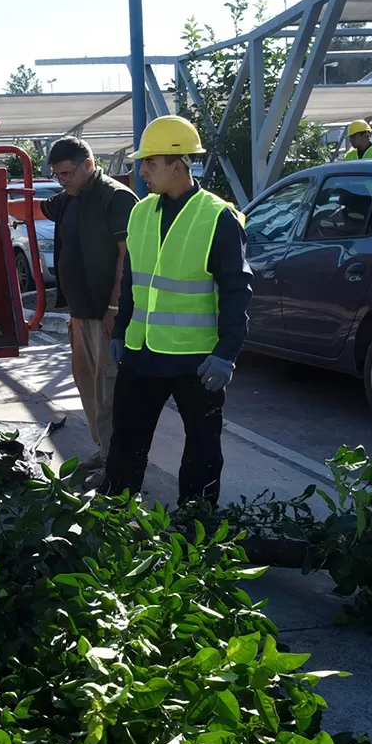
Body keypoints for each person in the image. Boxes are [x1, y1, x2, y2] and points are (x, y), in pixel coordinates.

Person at [104, 116, 253, 509]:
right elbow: (133, 279)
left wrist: (226, 354)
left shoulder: (217, 217)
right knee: (126, 442)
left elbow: (238, 292)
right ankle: (114, 516)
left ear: (176, 163)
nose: (142, 170)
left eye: (150, 162)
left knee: (203, 449)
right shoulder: (140, 213)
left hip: (196, 361)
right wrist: (120, 330)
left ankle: (195, 523)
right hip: (141, 352)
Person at [41, 136, 138, 468]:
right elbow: (36, 203)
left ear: (88, 164)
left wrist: (115, 308)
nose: (61, 181)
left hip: (106, 315)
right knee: (89, 390)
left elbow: (127, 259)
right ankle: (105, 452)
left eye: (67, 173)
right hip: (81, 315)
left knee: (109, 393)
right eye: (57, 175)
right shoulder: (72, 196)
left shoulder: (116, 197)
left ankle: (118, 467)